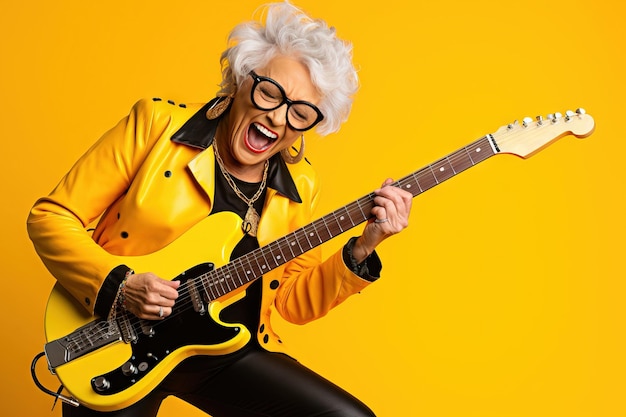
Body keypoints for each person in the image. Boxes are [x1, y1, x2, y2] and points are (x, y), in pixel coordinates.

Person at [27, 2, 413, 416]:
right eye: (269, 92)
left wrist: (361, 251)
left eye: (300, 113)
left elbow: (292, 303)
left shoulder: (301, 185)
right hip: (120, 340)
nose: (278, 117)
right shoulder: (155, 126)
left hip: (226, 353)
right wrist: (120, 286)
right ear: (239, 80)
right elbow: (51, 217)